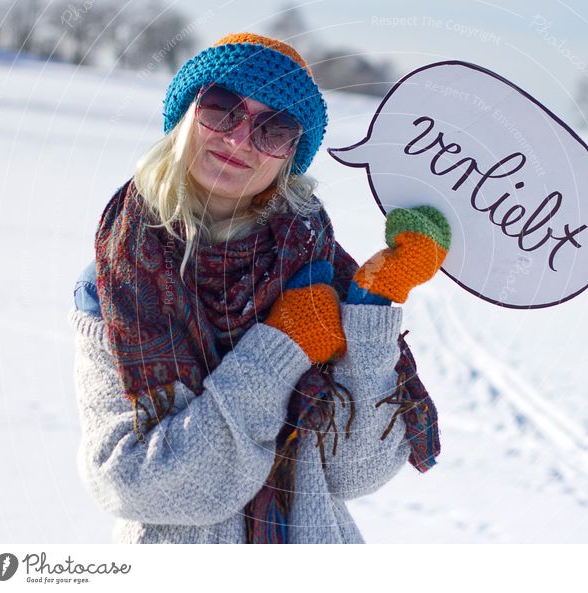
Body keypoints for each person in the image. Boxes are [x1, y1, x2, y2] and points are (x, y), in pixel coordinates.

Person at [68, 33, 451, 544]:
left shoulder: (313, 272)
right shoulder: (118, 283)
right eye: (223, 108)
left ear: (291, 156)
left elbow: (357, 473)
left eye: (274, 129)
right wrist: (282, 348)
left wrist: (374, 305)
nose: (240, 138)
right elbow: (134, 483)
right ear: (187, 115)